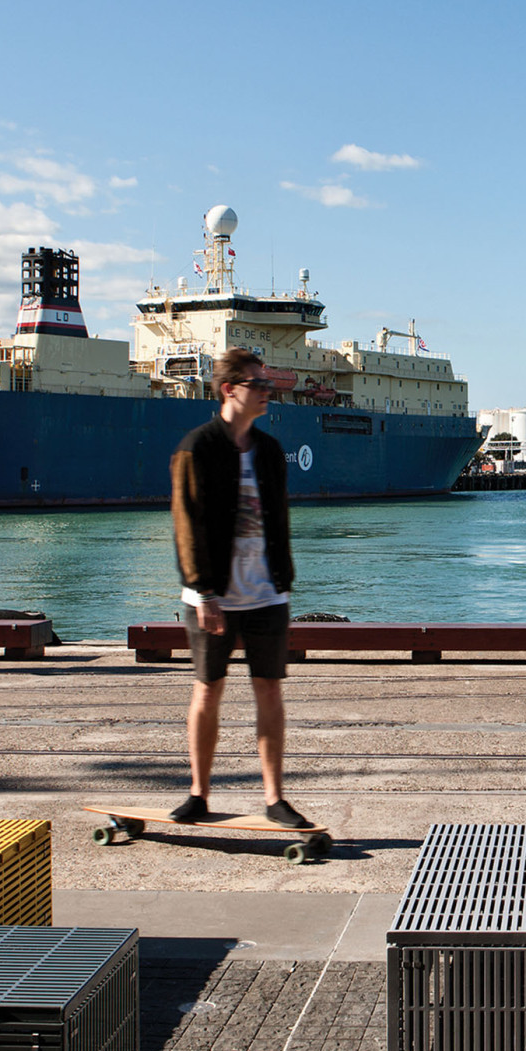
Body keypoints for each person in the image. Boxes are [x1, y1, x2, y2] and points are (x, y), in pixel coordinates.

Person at [169, 348, 311, 828]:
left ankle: (275, 799)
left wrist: (285, 581)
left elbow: (279, 521)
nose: (268, 392)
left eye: (268, 384)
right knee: (208, 690)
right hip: (213, 596)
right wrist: (203, 592)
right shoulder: (197, 447)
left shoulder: (269, 450)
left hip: (267, 593)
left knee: (270, 690)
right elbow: (186, 525)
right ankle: (198, 794)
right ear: (230, 389)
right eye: (258, 384)